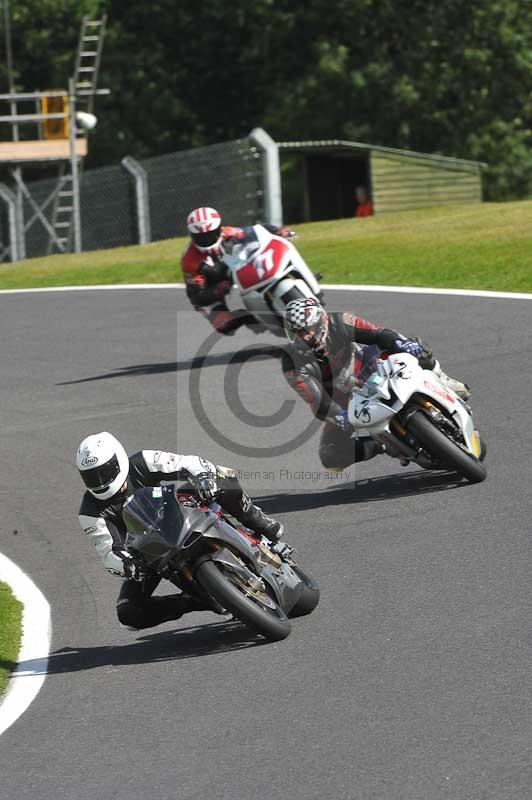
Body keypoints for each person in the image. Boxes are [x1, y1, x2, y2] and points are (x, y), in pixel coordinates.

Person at [77, 432, 285, 630]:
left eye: (104, 472)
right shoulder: (90, 512)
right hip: (149, 552)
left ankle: (260, 522)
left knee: (222, 475)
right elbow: (108, 551)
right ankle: (194, 600)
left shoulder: (141, 462)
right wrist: (127, 565)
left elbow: (185, 463)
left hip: (179, 513)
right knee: (129, 613)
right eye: (92, 477)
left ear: (118, 459)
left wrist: (203, 477)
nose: (101, 481)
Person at [281, 298, 470, 470]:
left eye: (307, 330)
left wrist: (402, 344)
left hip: (370, 367)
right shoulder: (291, 362)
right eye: (297, 333)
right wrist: (339, 415)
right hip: (345, 403)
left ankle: (443, 379)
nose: (304, 337)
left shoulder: (339, 321)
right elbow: (317, 401)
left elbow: (379, 334)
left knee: (416, 348)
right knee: (330, 458)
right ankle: (380, 444)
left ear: (321, 323)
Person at [181, 206, 293, 335]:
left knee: (260, 267)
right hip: (210, 286)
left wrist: (277, 231)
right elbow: (196, 296)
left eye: (210, 234)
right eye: (201, 237)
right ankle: (249, 317)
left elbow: (257, 230)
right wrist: (216, 290)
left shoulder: (228, 233)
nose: (206, 240)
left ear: (218, 229)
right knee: (225, 325)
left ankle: (293, 276)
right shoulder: (189, 260)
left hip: (228, 261)